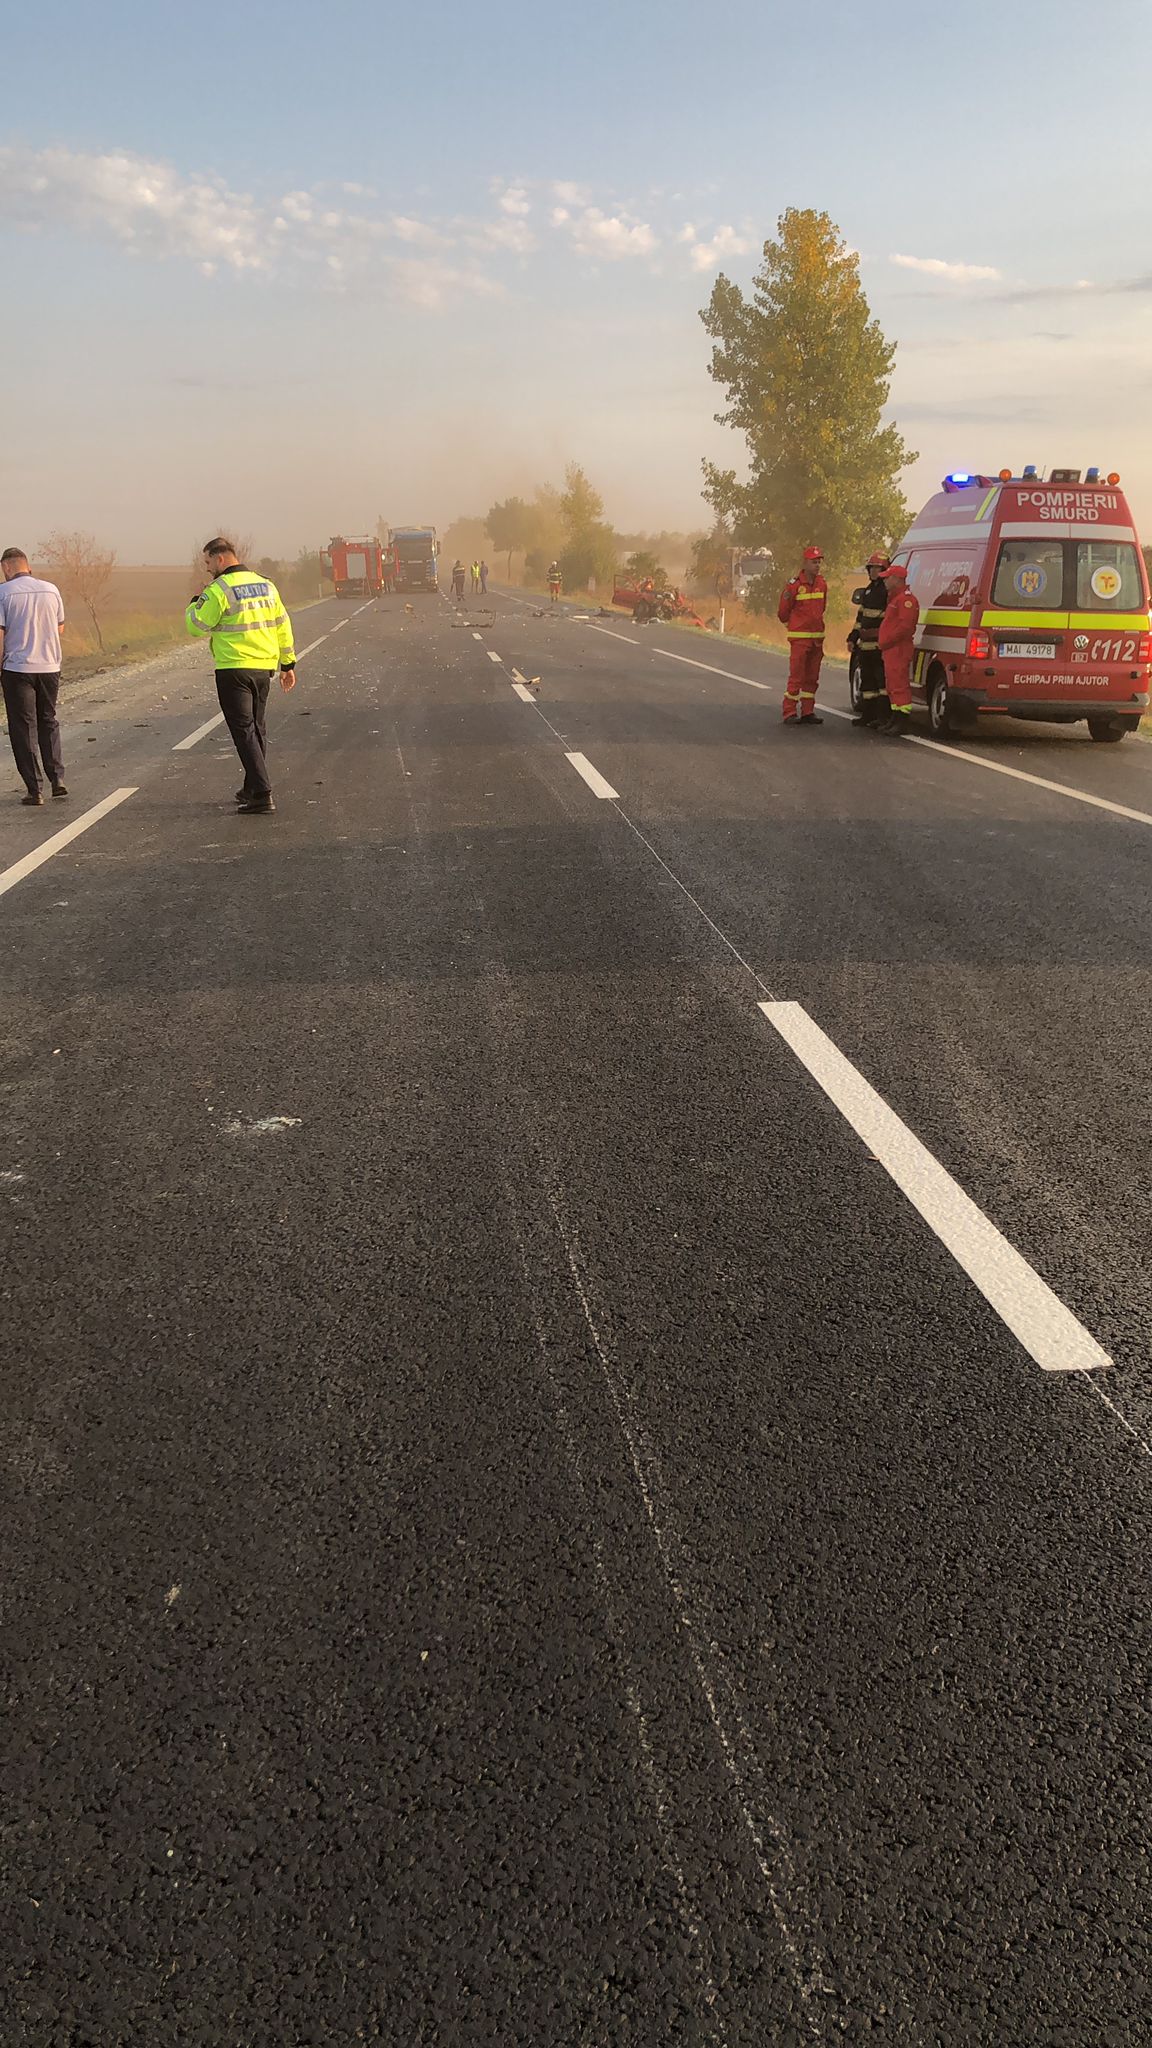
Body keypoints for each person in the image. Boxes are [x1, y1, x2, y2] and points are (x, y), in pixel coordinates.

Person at [185, 538, 296, 814]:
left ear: (220, 558)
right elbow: (283, 624)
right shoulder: (267, 585)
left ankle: (262, 792)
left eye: (208, 562)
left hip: (233, 667)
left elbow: (198, 626)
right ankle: (251, 787)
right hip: (263, 668)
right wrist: (288, 663)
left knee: (244, 731)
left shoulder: (219, 588)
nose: (208, 568)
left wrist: (194, 603)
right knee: (256, 728)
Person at [0, 548, 68, 806]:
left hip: (18, 669)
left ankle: (34, 789)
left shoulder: (3, 593)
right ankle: (57, 779)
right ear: (26, 566)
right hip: (50, 665)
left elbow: (0, 634)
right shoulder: (51, 589)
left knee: (23, 726)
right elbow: (60, 626)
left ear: (7, 567)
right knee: (48, 720)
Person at [777, 545, 827, 724]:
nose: (817, 565)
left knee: (812, 678)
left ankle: (807, 711)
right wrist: (791, 627)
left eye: (819, 562)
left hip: (817, 640)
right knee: (796, 677)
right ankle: (789, 711)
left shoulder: (822, 583)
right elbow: (783, 611)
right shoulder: (794, 585)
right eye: (814, 562)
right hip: (800, 640)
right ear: (805, 563)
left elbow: (822, 608)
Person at [848, 551, 891, 727]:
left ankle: (881, 717)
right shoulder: (868, 591)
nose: (873, 571)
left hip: (879, 645)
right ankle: (868, 714)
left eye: (877, 568)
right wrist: (853, 637)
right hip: (865, 645)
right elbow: (860, 618)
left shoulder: (886, 591)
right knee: (867, 682)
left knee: (881, 684)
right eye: (871, 568)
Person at [876, 562, 919, 733]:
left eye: (888, 578)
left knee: (899, 684)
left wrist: (887, 641)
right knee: (892, 684)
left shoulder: (906, 600)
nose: (885, 581)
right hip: (891, 649)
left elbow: (905, 627)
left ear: (896, 579)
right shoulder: (896, 598)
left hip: (898, 648)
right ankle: (894, 717)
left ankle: (901, 720)